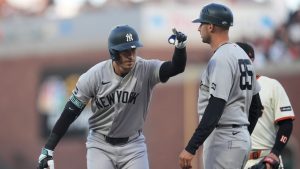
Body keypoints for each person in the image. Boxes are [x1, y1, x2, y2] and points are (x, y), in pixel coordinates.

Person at [37, 25, 187, 169]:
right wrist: (48, 149)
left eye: (133, 50)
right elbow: (70, 112)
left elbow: (176, 67)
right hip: (100, 146)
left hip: (133, 145)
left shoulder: (145, 69)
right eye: (125, 51)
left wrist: (180, 48)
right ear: (114, 53)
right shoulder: (94, 76)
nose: (131, 56)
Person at [178, 3, 263, 169]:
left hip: (224, 140)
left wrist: (191, 147)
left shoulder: (222, 58)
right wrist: (242, 136)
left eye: (201, 24)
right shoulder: (242, 54)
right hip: (238, 138)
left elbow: (215, 107)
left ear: (210, 26)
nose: (199, 28)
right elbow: (256, 108)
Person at [236, 42, 295, 169]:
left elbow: (286, 123)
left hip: (265, 160)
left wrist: (275, 154)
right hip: (236, 162)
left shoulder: (271, 85)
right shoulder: (225, 91)